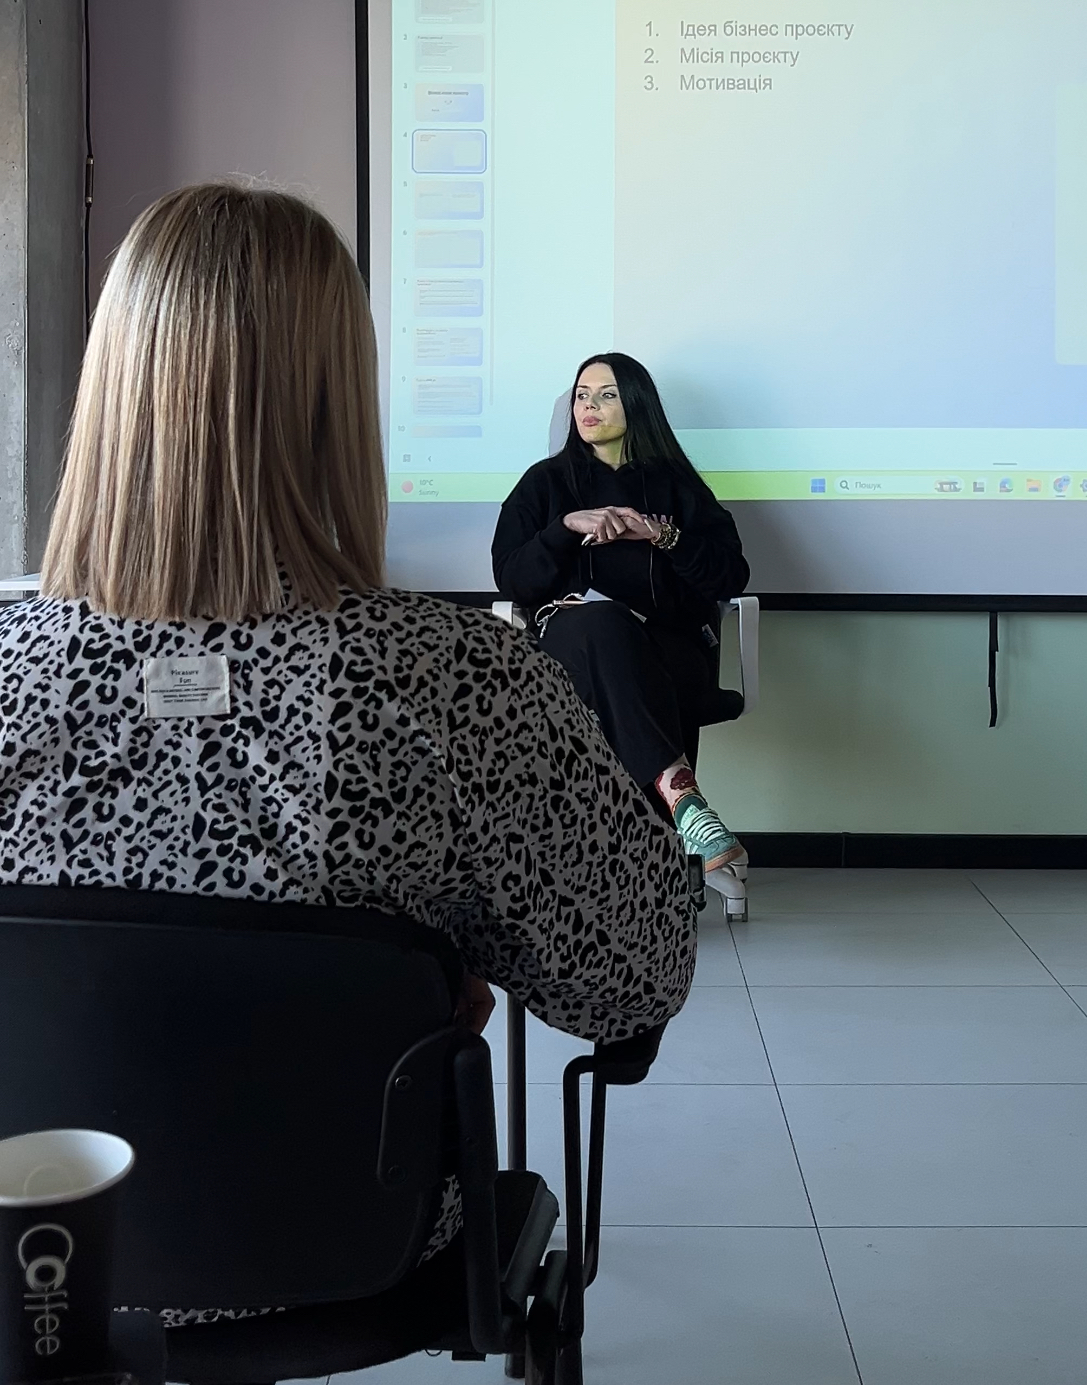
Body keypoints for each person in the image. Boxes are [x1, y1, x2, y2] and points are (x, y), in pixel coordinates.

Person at [0, 185, 695, 1303]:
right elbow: (639, 971)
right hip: (357, 1235)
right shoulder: (459, 681)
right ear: (340, 405)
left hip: (38, 1243)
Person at [492, 352, 750, 884]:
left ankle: (627, 870)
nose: (589, 406)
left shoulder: (678, 485)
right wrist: (564, 527)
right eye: (582, 395)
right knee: (601, 621)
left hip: (668, 647)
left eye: (606, 395)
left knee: (624, 652)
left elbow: (730, 575)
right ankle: (684, 802)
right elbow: (512, 578)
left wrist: (662, 535)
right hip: (571, 649)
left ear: (636, 404)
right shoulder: (544, 483)